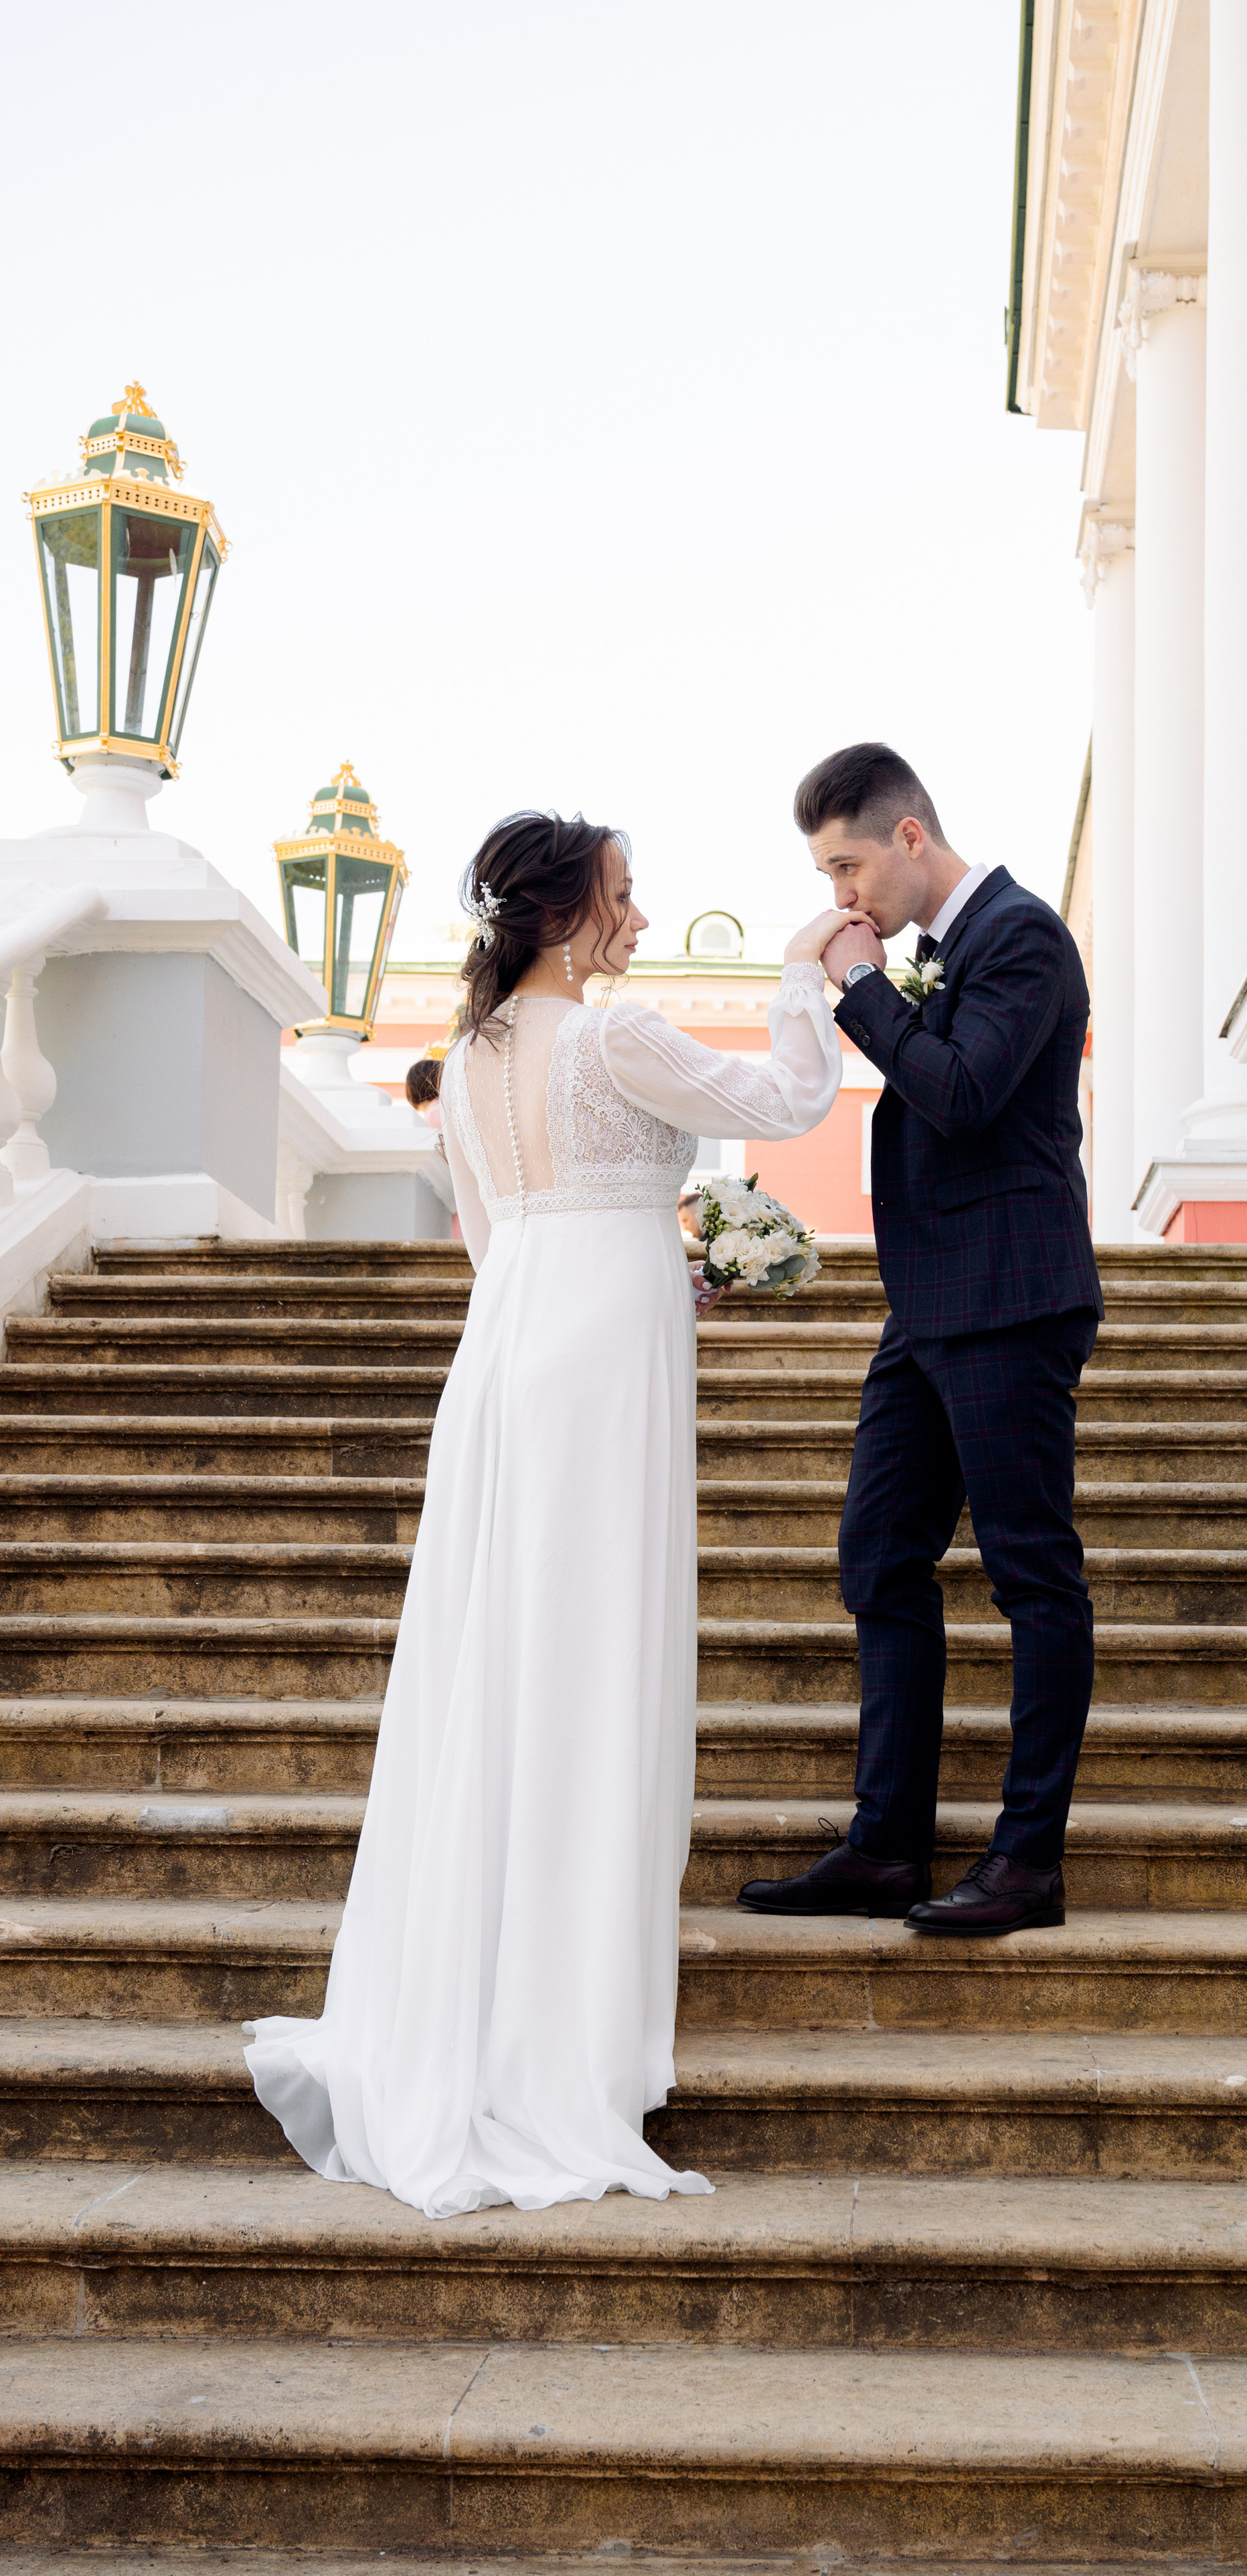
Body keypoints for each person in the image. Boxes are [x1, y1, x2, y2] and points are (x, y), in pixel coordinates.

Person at [245, 809, 847, 2215]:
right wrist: (806, 973)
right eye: (624, 897)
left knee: (505, 1671)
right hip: (594, 1360)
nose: (638, 919)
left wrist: (641, 1255)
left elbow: (491, 1234)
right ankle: (561, 2051)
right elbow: (783, 1105)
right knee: (591, 1672)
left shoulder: (467, 1057)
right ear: (569, 910)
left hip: (514, 1348)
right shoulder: (604, 1035)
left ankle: (489, 2003)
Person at [738, 743, 1102, 1938]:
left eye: (847, 864)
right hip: (928, 1304)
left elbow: (961, 1090)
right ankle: (887, 1844)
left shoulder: (1022, 935)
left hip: (1008, 1297)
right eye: (825, 873)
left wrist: (859, 986)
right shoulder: (944, 953)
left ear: (907, 837)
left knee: (1030, 1574)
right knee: (879, 1560)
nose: (841, 894)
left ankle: (1028, 1862)